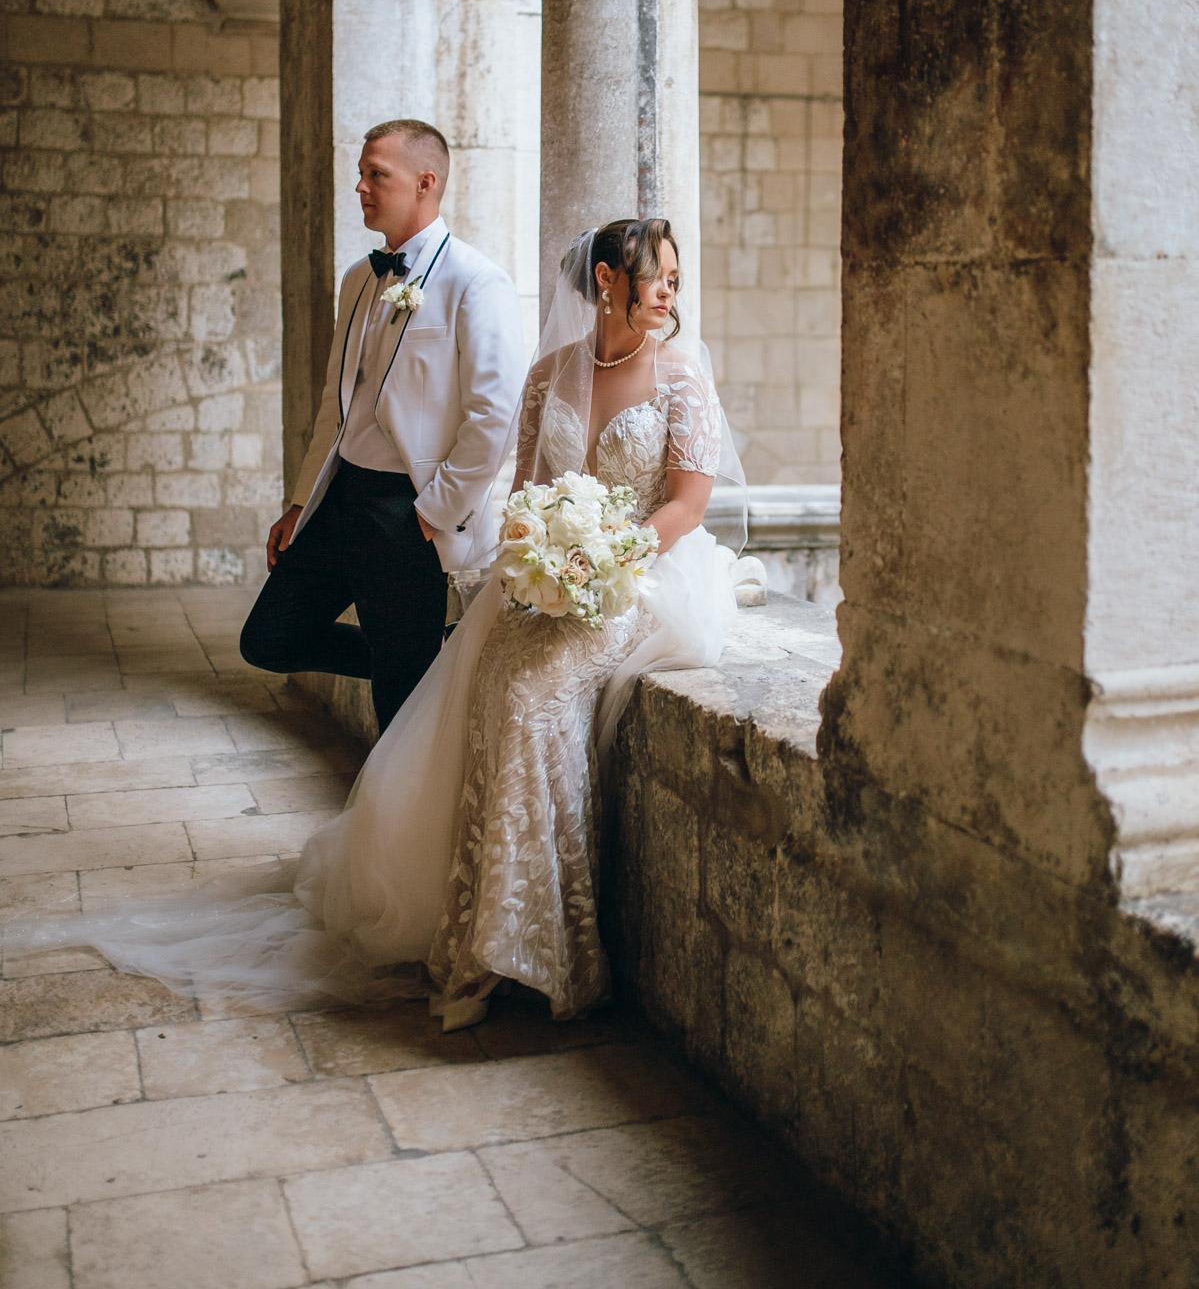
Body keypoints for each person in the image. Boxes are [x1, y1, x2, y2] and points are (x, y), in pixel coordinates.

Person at [4, 220, 746, 1030]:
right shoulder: (548, 375)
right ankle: (475, 925)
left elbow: (686, 503)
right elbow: (529, 487)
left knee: (530, 698)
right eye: (658, 275)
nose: (671, 291)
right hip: (552, 570)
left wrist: (606, 556)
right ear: (608, 280)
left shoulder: (680, 375)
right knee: (486, 680)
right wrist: (542, 553)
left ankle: (537, 941)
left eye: (674, 277)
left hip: (636, 572)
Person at [239, 117, 527, 735]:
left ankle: (413, 685)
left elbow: (496, 417)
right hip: (341, 498)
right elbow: (336, 404)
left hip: (407, 511)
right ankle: (433, 653)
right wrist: (301, 501)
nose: (362, 188)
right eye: (361, 175)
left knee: (398, 706)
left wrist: (431, 514)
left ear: (426, 183)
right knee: (268, 638)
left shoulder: (477, 282)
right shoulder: (358, 279)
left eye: (377, 175)